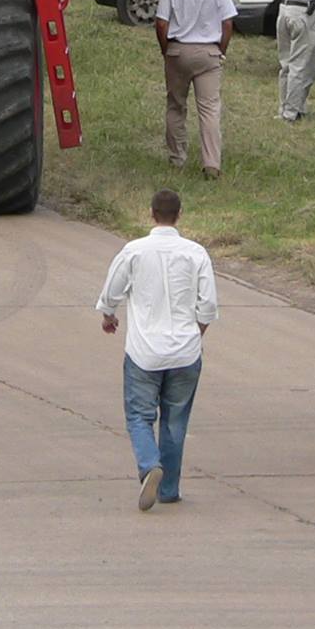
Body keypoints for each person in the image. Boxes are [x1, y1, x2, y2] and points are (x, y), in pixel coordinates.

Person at [96, 187, 218, 513]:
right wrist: (195, 333)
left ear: (151, 214)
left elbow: (112, 292)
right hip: (186, 353)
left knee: (139, 415)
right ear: (179, 216)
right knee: (175, 421)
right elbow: (207, 306)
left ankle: (149, 464)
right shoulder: (196, 253)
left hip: (143, 353)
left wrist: (109, 316)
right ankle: (169, 489)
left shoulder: (134, 252)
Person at [156, 0, 234, 178]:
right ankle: (212, 163)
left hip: (178, 49)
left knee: (176, 105)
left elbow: (161, 22)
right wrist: (220, 49)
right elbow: (227, 21)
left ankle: (177, 157)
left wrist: (166, 50)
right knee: (210, 109)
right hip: (209, 51)